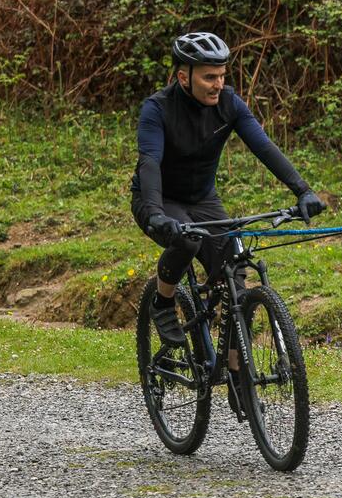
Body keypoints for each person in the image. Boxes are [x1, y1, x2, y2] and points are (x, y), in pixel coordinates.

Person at [131, 32, 325, 346]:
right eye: (209, 77)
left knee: (235, 274)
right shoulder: (157, 109)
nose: (218, 84)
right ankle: (163, 302)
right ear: (184, 77)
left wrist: (302, 190)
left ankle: (239, 382)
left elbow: (263, 147)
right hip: (158, 199)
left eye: (222, 76)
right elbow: (150, 163)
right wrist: (154, 214)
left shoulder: (229, 103)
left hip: (203, 199)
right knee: (188, 240)